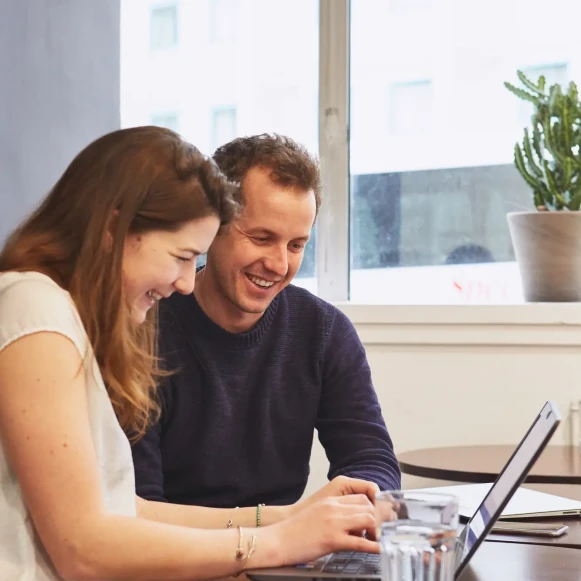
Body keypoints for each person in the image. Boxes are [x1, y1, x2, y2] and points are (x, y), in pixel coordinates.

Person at [0, 127, 379, 581]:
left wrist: (290, 520)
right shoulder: (36, 309)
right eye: (181, 256)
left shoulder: (64, 317)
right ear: (114, 230)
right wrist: (275, 542)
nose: (184, 282)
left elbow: (127, 511)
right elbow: (84, 551)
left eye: (296, 245)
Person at [132, 133, 401, 511]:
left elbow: (371, 458)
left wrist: (358, 503)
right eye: (261, 238)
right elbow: (137, 506)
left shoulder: (324, 332)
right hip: (179, 556)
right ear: (212, 226)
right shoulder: (142, 331)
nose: (279, 265)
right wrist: (284, 527)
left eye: (296, 245)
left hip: (286, 555)